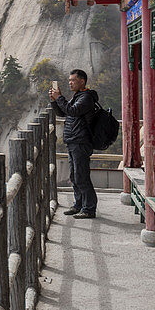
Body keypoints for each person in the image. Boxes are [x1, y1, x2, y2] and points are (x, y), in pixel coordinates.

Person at [49, 69, 98, 219]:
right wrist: (54, 100)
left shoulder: (87, 97)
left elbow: (73, 110)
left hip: (81, 141)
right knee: (74, 175)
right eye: (69, 80)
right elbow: (64, 113)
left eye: (73, 80)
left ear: (82, 81)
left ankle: (89, 208)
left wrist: (60, 98)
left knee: (81, 175)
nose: (70, 83)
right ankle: (79, 205)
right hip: (73, 140)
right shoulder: (78, 96)